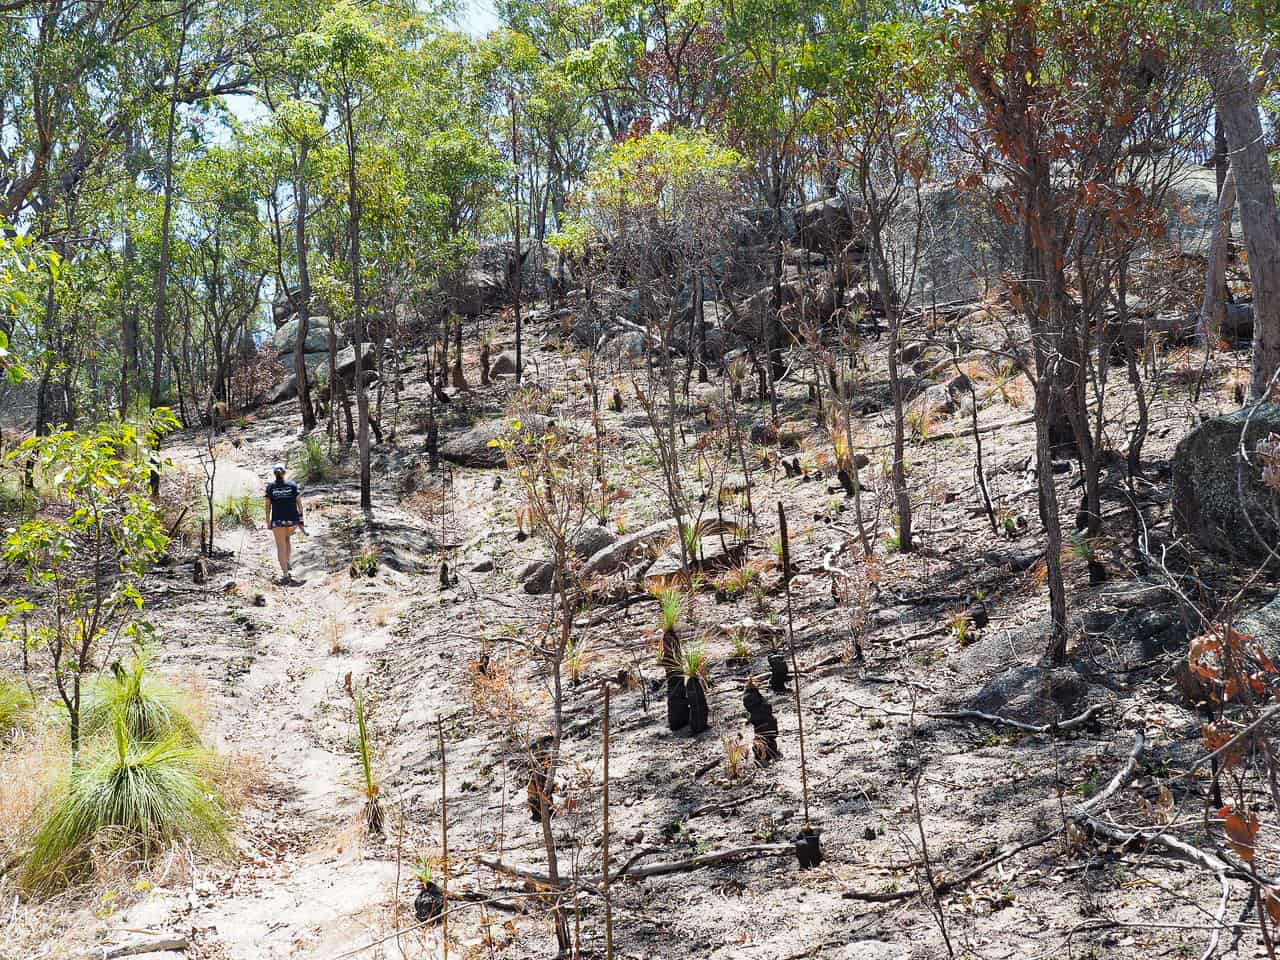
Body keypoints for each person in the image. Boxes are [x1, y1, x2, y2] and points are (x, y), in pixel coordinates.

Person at [265, 464, 306, 582]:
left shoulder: (270, 487)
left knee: (280, 545)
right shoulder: (292, 485)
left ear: (274, 474)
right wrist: (301, 518)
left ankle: (285, 573)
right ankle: (287, 562)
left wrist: (268, 521)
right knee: (287, 539)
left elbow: (267, 506)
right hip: (292, 520)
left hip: (277, 521)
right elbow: (299, 503)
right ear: (284, 473)